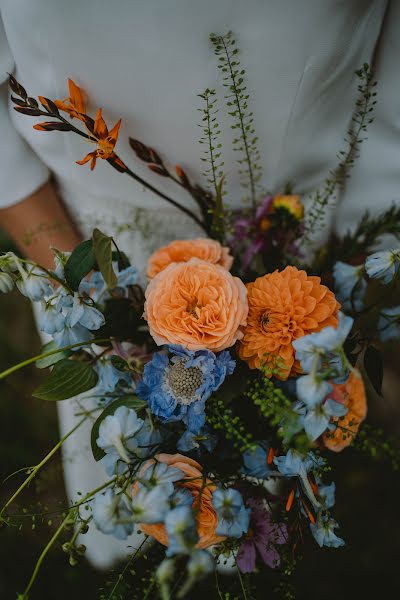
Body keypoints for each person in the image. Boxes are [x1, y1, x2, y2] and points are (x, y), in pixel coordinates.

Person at [0, 0, 399, 569]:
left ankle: (254, 534)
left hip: (297, 242)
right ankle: (133, 541)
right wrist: (78, 281)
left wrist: (361, 258)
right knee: (123, 445)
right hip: (92, 248)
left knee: (271, 456)